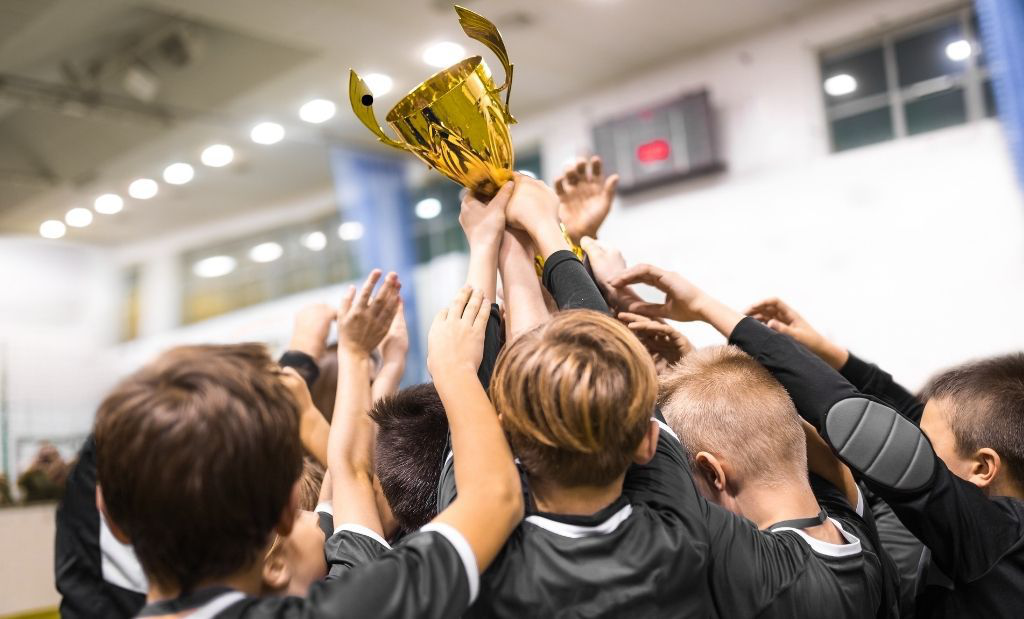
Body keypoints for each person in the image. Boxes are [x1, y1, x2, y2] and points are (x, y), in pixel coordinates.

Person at [610, 264, 1024, 619]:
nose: (912, 442)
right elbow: (897, 415)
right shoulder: (965, 532)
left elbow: (870, 431)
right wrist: (819, 354)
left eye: (925, 446)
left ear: (983, 467)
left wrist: (706, 308)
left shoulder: (997, 543)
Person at [659, 344, 894, 617]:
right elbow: (808, 443)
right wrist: (709, 379)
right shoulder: (860, 537)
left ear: (713, 473)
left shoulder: (756, 569)